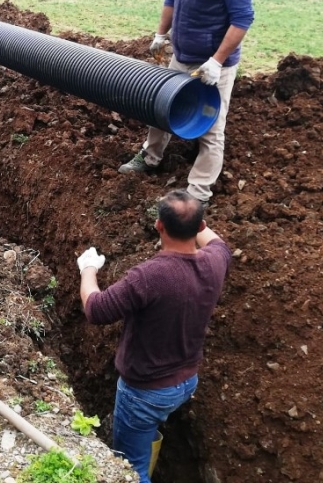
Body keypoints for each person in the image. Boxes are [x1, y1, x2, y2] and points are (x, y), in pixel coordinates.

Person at [77, 190, 231, 483]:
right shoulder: (216, 261)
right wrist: (193, 214)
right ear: (200, 227)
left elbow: (96, 309)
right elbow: (217, 242)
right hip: (186, 383)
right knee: (147, 432)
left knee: (130, 469)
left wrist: (88, 270)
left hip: (144, 392)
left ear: (158, 225)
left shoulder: (150, 276)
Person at [118, 0, 254, 207]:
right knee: (160, 107)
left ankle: (198, 193)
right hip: (182, 55)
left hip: (212, 65)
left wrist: (217, 62)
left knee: (210, 128)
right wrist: (160, 34)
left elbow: (242, 19)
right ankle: (150, 157)